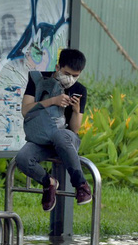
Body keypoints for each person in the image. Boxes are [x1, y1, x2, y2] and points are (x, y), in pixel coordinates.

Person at [16, 48, 92, 211]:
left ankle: (81, 185)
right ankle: (49, 183)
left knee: (60, 136)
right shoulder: (38, 80)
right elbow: (25, 110)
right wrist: (52, 101)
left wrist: (76, 110)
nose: (70, 79)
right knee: (22, 158)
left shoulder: (79, 90)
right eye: (67, 73)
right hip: (42, 139)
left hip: (65, 139)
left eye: (75, 76)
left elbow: (75, 130)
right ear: (57, 67)